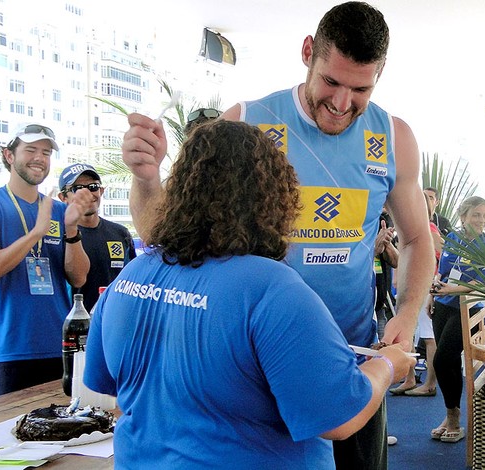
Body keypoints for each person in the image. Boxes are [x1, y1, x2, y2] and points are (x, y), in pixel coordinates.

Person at [120, 3, 434, 468]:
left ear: (380, 74)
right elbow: (166, 234)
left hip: (357, 361)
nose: (342, 103)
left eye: (360, 89)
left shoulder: (393, 136)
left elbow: (416, 239)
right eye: (331, 82)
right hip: (255, 369)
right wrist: (147, 179)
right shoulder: (245, 121)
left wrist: (407, 314)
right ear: (308, 52)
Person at [84, 120, 412, 469]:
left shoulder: (132, 275)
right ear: (274, 197)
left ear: (179, 190)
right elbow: (340, 418)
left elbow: (112, 391)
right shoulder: (273, 289)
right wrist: (389, 364)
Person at [0, 124, 92, 396]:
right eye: (31, 150)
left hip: (60, 345)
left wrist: (72, 230)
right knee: (7, 435)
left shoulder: (61, 210)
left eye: (47, 152)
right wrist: (37, 232)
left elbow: (79, 278)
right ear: (9, 155)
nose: (40, 158)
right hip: (9, 350)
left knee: (63, 430)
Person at [429, 196, 485, 443]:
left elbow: (484, 282)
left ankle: (455, 417)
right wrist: (434, 291)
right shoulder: (453, 239)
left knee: (441, 360)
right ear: (463, 217)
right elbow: (443, 269)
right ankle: (450, 415)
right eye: (476, 215)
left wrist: (453, 289)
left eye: (484, 216)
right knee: (448, 364)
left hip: (469, 308)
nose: (481, 220)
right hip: (443, 305)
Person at [58, 163, 137, 311]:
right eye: (78, 189)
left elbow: (132, 281)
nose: (87, 194)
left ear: (101, 191)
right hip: (75, 324)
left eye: (93, 187)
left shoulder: (121, 233)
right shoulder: (58, 236)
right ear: (63, 197)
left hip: (113, 321)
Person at [390, 191, 442, 397]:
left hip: (423, 287)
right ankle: (410, 378)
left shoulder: (428, 229)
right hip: (407, 286)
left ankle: (429, 383)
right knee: (407, 334)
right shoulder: (410, 231)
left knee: (428, 336)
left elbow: (440, 253)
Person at [374, 209, 398, 340]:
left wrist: (387, 243)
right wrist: (374, 249)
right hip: (358, 307)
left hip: (380, 305)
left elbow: (396, 261)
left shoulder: (381, 221)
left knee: (381, 353)